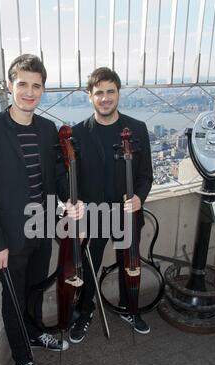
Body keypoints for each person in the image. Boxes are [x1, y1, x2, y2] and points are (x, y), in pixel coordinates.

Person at [0, 54, 82, 365]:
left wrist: (70, 200)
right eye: (23, 84)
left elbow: (56, 178)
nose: (29, 92)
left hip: (41, 228)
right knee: (13, 299)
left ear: (43, 89)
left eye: (36, 86)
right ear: (10, 85)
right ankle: (23, 359)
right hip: (9, 237)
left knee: (34, 289)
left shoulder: (48, 129)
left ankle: (34, 332)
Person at [70, 67, 153, 344]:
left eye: (110, 92)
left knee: (130, 264)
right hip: (93, 217)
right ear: (89, 96)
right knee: (88, 267)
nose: (105, 98)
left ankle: (131, 310)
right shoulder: (78, 134)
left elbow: (145, 175)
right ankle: (85, 311)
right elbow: (72, 181)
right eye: (99, 93)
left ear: (118, 93)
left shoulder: (136, 129)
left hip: (127, 215)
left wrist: (140, 196)